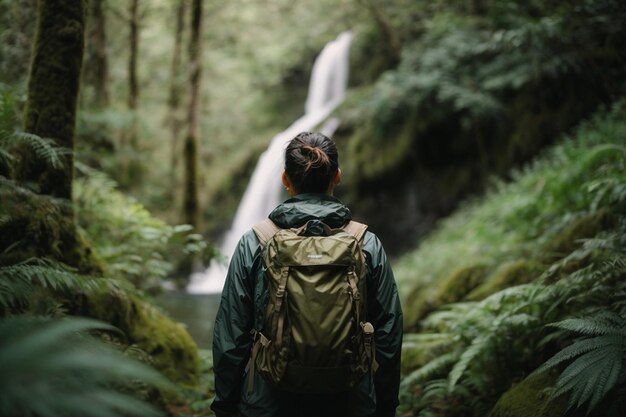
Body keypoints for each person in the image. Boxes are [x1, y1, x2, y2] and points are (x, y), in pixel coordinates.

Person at [211, 131, 403, 417]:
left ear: (285, 180)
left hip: (268, 402)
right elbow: (389, 333)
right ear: (336, 177)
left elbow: (231, 335)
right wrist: (384, 404)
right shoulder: (366, 243)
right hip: (350, 401)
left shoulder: (256, 242)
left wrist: (225, 404)